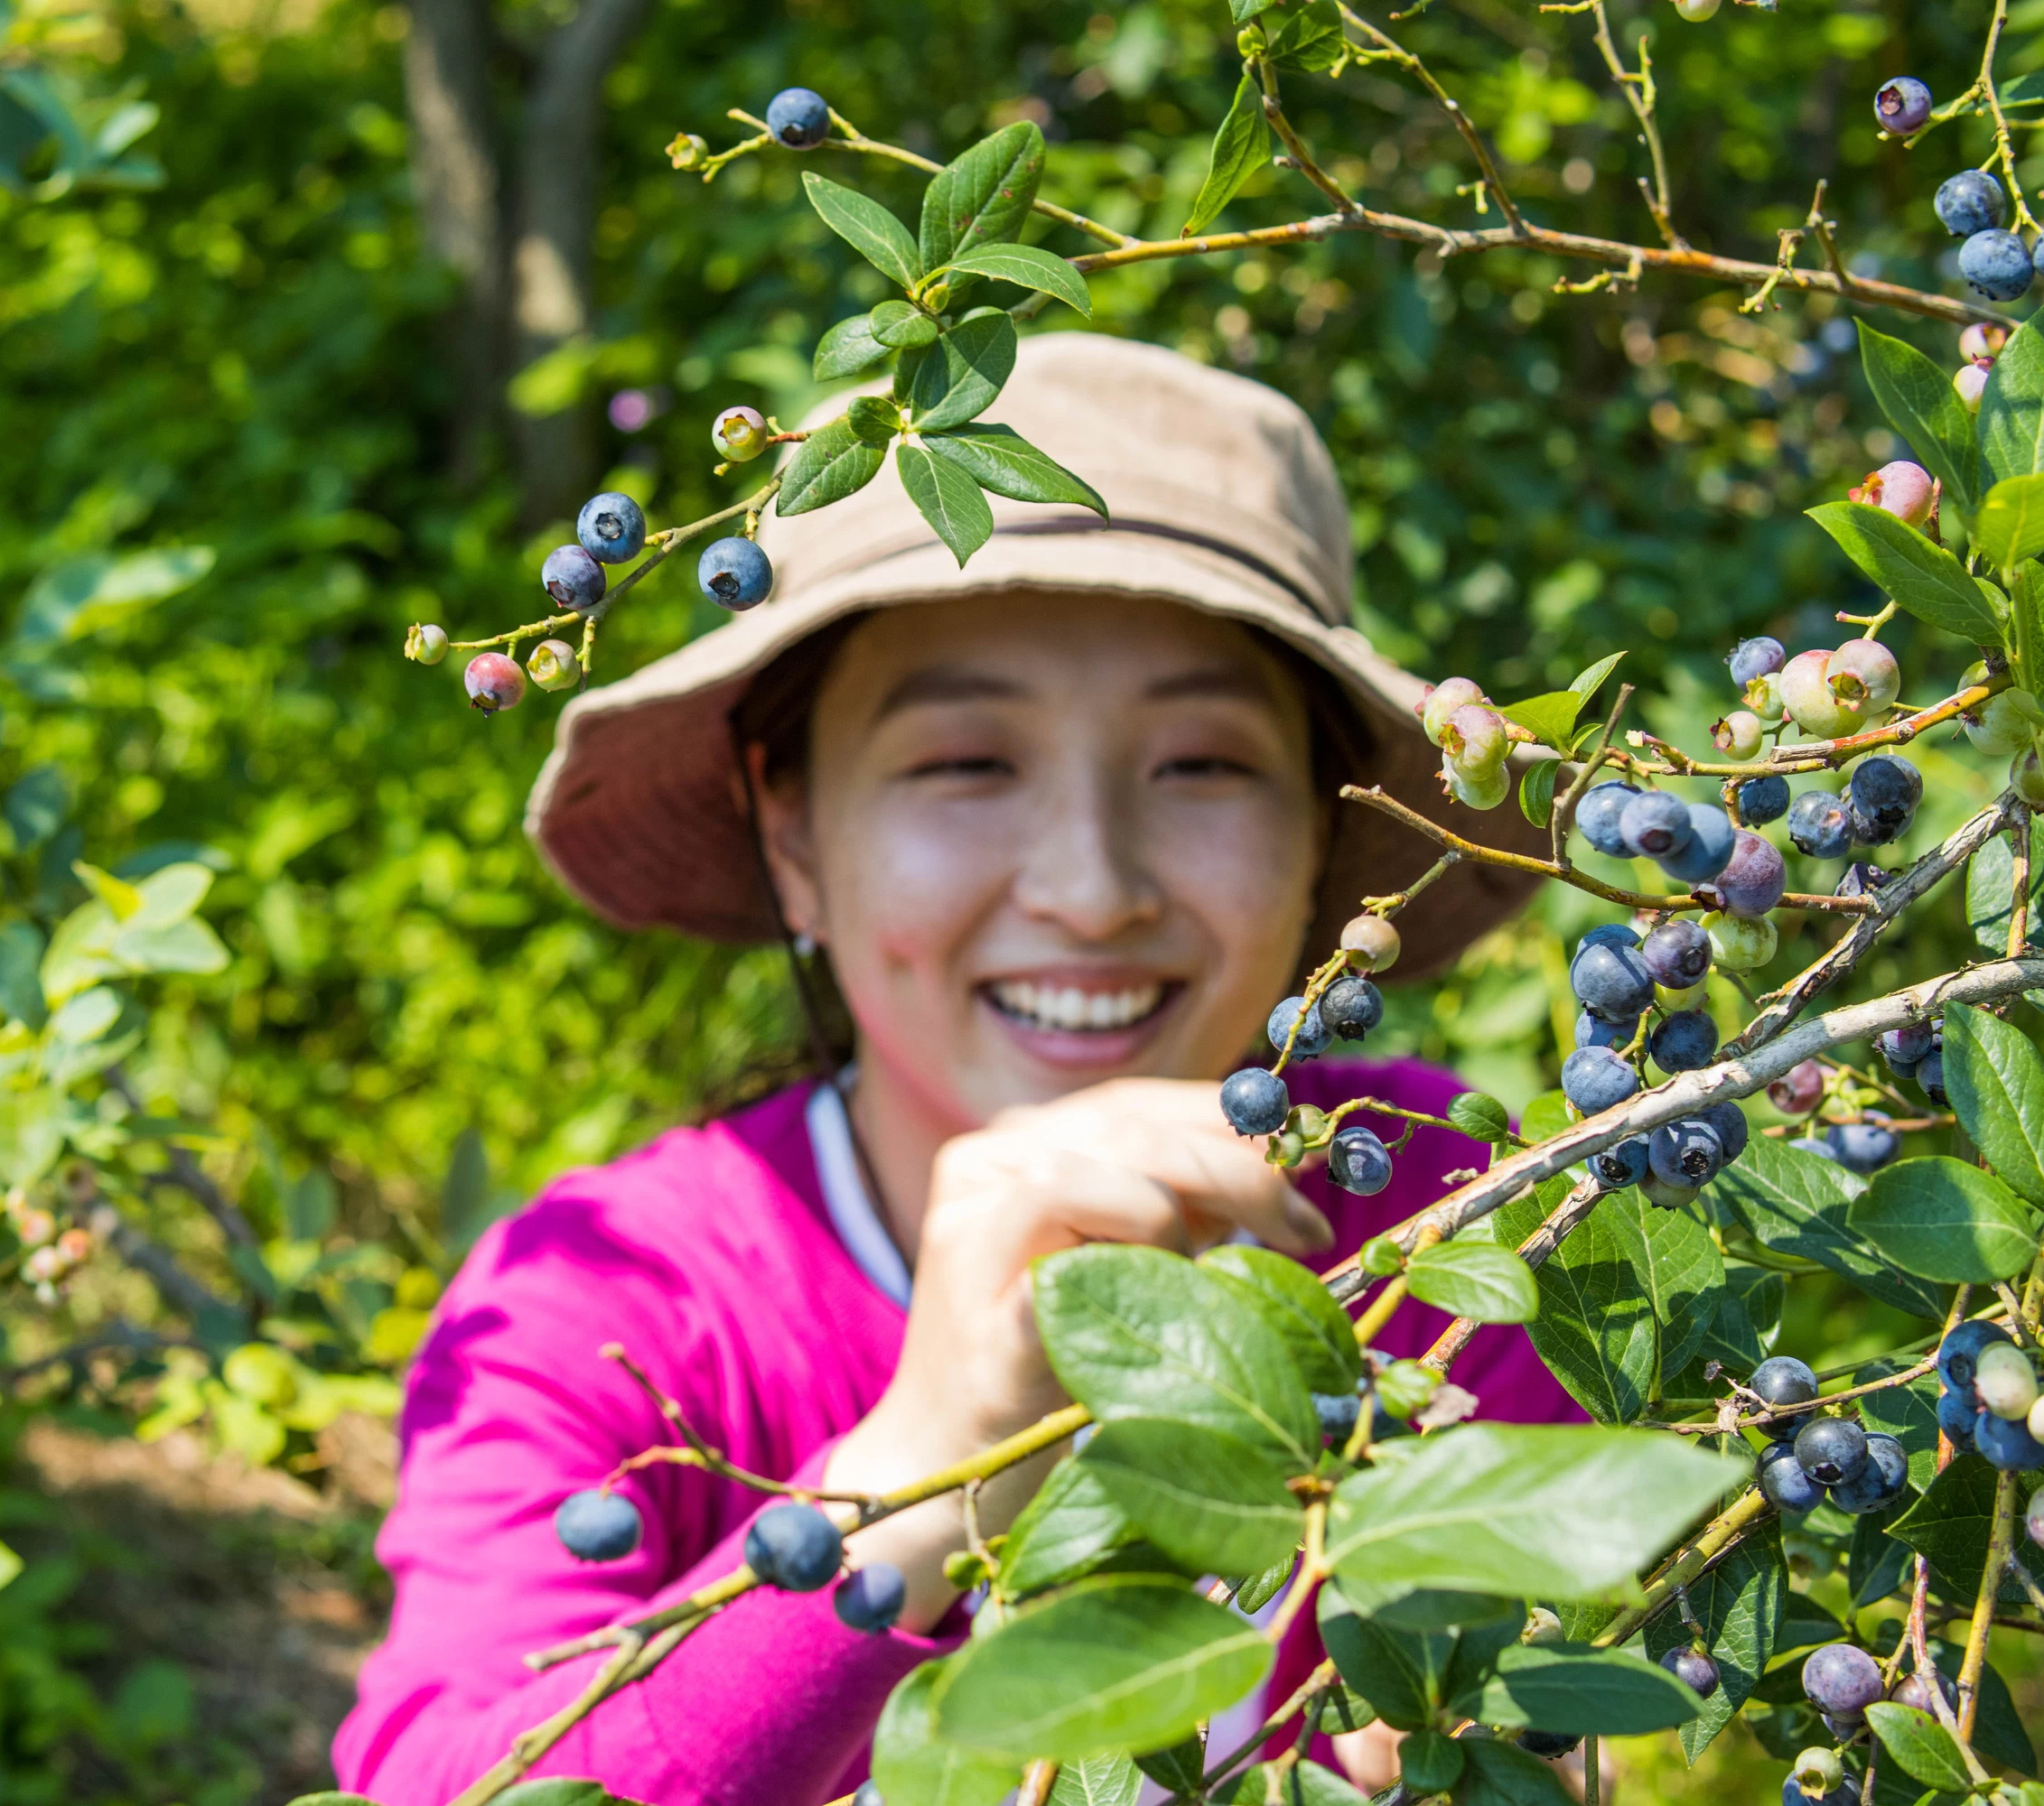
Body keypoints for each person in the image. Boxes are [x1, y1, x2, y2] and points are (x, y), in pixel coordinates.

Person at [330, 334, 1585, 1805]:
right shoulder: (612, 1304)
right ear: (794, 831)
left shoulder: (1447, 1220)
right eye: (965, 765)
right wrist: (924, 1464)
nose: (1091, 890)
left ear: (1322, 830)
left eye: (1202, 765)